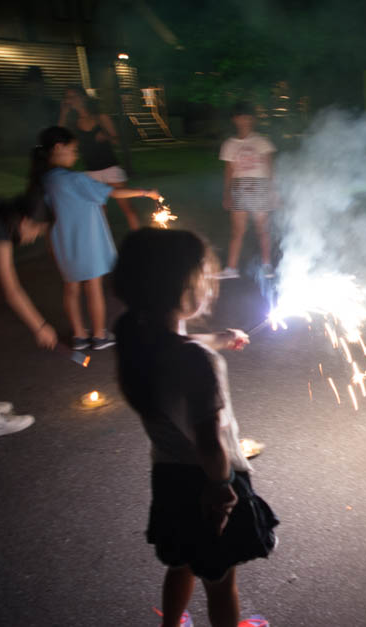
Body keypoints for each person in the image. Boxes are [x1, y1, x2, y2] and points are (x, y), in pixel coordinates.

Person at [113, 228, 276, 627]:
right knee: (219, 580)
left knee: (182, 562)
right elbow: (209, 437)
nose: (211, 287)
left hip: (168, 479)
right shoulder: (198, 364)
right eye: (206, 277)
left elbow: (179, 348)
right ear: (184, 289)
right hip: (209, 483)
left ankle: (171, 624)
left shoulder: (138, 340)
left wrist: (218, 339)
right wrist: (222, 489)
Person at [29, 126, 160, 351]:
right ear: (59, 147)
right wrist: (146, 192)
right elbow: (112, 192)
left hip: (63, 242)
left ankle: (80, 336)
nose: (76, 154)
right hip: (87, 240)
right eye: (73, 149)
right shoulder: (75, 179)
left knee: (71, 288)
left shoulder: (45, 180)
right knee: (93, 286)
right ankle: (99, 335)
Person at [0, 196, 58, 439]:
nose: (35, 237)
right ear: (25, 221)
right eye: (38, 230)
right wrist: (40, 326)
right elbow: (12, 289)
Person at [58, 85, 140, 229]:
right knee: (100, 214)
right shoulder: (73, 124)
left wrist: (107, 137)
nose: (71, 100)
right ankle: (105, 247)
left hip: (110, 168)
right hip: (91, 172)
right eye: (68, 98)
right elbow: (57, 136)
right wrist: (63, 113)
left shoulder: (101, 118)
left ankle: (142, 240)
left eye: (73, 96)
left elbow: (118, 141)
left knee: (128, 209)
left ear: (83, 97)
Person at [217, 101, 277, 280]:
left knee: (262, 229)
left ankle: (267, 265)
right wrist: (227, 193)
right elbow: (228, 171)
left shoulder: (262, 142)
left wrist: (273, 191)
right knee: (237, 230)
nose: (245, 121)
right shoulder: (229, 144)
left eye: (248, 117)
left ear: (253, 119)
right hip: (239, 188)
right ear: (235, 119)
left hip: (259, 186)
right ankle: (231, 268)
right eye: (241, 117)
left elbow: (270, 168)